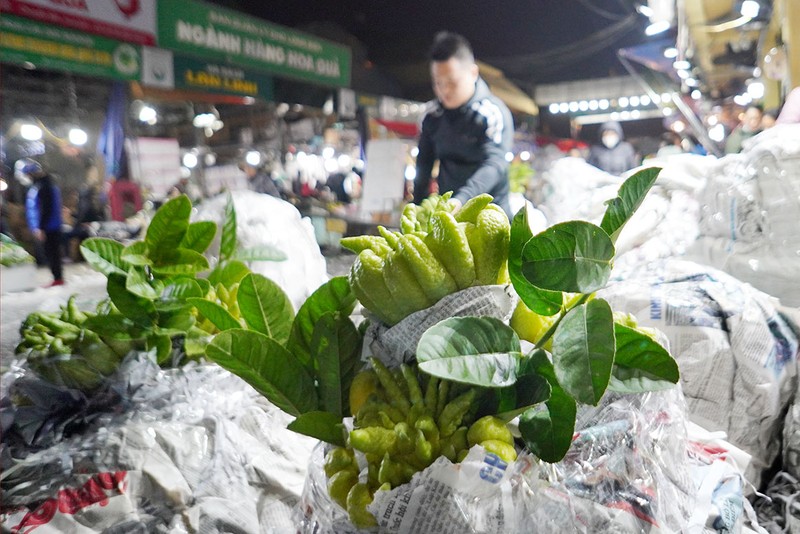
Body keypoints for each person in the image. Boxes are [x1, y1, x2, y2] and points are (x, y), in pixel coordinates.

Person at [413, 31, 514, 219]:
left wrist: (462, 199)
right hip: (450, 216)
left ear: (473, 73)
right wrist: (415, 209)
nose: (444, 90)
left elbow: (495, 164)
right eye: (437, 83)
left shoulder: (492, 114)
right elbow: (424, 166)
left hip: (492, 216)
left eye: (452, 82)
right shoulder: (432, 116)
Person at [21, 159, 64, 286]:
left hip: (49, 227)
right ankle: (57, 277)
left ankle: (58, 278)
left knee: (52, 253)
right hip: (47, 226)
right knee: (51, 253)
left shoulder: (44, 187)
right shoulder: (41, 185)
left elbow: (45, 209)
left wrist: (41, 227)